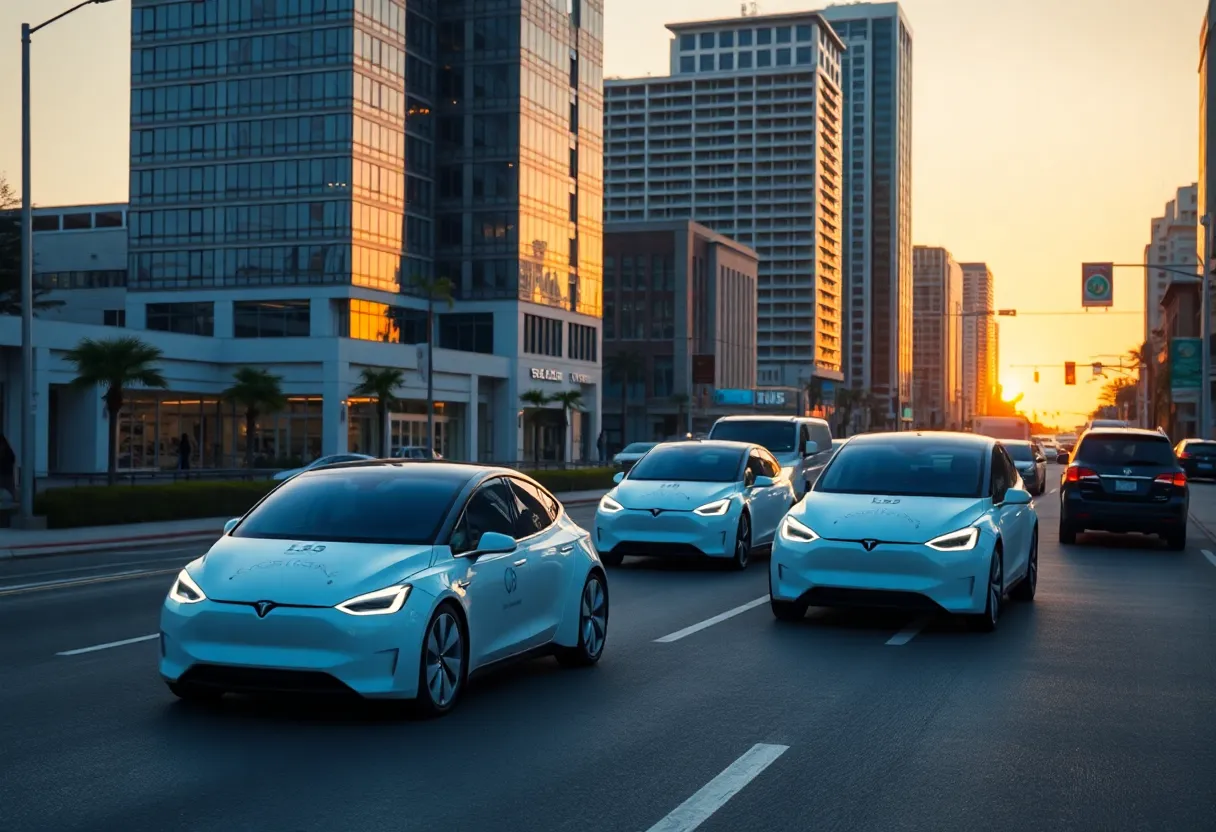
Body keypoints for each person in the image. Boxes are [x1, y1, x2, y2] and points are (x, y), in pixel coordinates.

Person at [0, 433, 16, 503]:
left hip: (6, 475)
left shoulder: (7, 452)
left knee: (10, 492)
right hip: (7, 475)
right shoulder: (8, 451)